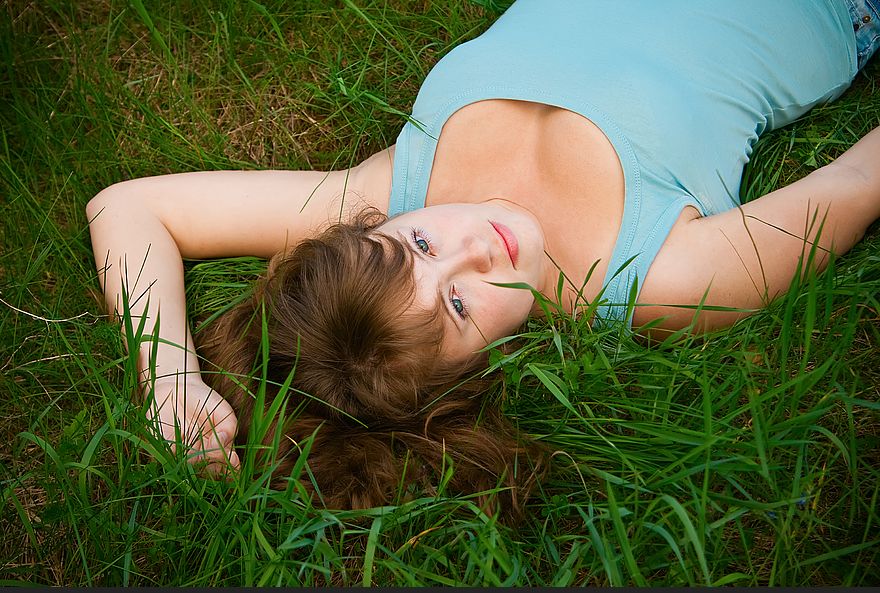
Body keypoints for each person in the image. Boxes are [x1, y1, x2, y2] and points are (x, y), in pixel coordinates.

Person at [87, 0, 880, 515]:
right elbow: (857, 178)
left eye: (419, 245)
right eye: (460, 306)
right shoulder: (657, 277)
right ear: (475, 374)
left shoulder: (393, 187)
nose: (473, 243)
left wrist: (169, 383)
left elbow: (130, 205)